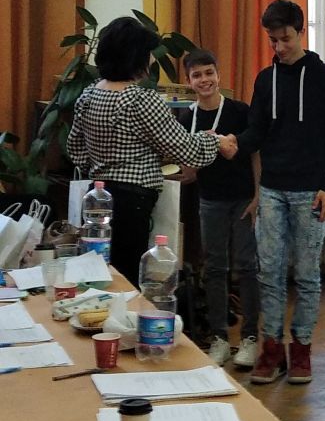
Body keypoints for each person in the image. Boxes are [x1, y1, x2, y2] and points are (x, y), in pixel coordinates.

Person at [67, 17, 236, 287]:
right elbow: (184, 149)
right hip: (132, 201)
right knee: (127, 277)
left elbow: (75, 149)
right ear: (135, 57)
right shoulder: (140, 99)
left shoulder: (89, 94)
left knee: (99, 275)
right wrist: (216, 142)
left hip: (97, 196)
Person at [230, 0, 325, 385]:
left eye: (285, 39)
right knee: (270, 273)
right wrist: (231, 143)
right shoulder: (265, 80)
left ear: (301, 32)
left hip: (310, 191)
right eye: (272, 40)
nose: (278, 47)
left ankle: (301, 350)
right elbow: (256, 132)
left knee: (308, 275)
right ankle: (271, 349)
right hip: (272, 191)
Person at [177, 49, 261, 368]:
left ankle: (250, 337)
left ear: (218, 74)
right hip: (210, 200)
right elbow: (188, 172)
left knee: (247, 266)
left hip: (243, 199)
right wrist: (202, 147)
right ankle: (219, 338)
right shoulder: (187, 119)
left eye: (209, 73)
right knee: (213, 267)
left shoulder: (239, 111)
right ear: (189, 81)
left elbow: (255, 153)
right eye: (197, 75)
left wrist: (258, 196)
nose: (204, 80)